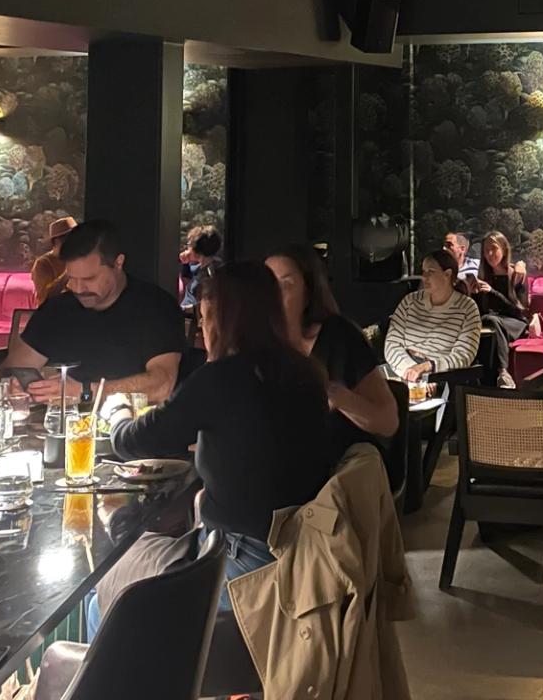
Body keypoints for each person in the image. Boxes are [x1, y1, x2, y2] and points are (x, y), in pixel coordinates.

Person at [110, 262, 334, 614]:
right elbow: (268, 443)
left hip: (244, 560)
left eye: (204, 319)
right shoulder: (303, 371)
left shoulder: (222, 377)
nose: (202, 332)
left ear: (223, 319)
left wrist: (117, 410)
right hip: (295, 549)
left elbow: (135, 441)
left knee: (104, 596)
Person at [6, 220, 185, 403]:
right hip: (61, 426)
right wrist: (16, 385)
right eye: (71, 278)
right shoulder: (58, 310)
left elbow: (162, 385)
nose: (77, 288)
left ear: (118, 263)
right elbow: (9, 371)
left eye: (89, 279)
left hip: (133, 426)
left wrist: (86, 392)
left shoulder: (155, 307)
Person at [266, 244, 399, 455]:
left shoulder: (340, 337)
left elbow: (388, 422)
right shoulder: (260, 342)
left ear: (308, 293)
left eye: (286, 284)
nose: (273, 294)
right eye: (267, 284)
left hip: (340, 469)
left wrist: (339, 397)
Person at [384, 249, 487, 386]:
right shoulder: (410, 301)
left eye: (430, 272)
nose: (424, 277)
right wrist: (410, 371)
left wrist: (429, 371)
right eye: (423, 271)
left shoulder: (467, 308)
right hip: (402, 372)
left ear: (447, 275)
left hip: (442, 376)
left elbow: (463, 355)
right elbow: (391, 344)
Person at [468, 230, 540, 342]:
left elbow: (519, 311)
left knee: (491, 322)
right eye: (486, 250)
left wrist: (492, 292)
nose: (490, 254)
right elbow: (481, 311)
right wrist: (474, 294)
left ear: (504, 250)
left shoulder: (517, 275)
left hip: (514, 323)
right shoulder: (483, 276)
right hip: (492, 322)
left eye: (494, 248)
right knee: (487, 324)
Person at [30, 216, 77, 303]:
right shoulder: (43, 264)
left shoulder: (79, 258)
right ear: (57, 241)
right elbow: (44, 297)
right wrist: (68, 274)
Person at [179, 224, 223, 311]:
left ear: (195, 247)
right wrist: (185, 263)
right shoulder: (201, 268)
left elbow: (204, 305)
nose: (187, 249)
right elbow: (188, 282)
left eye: (189, 244)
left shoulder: (210, 274)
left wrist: (180, 309)